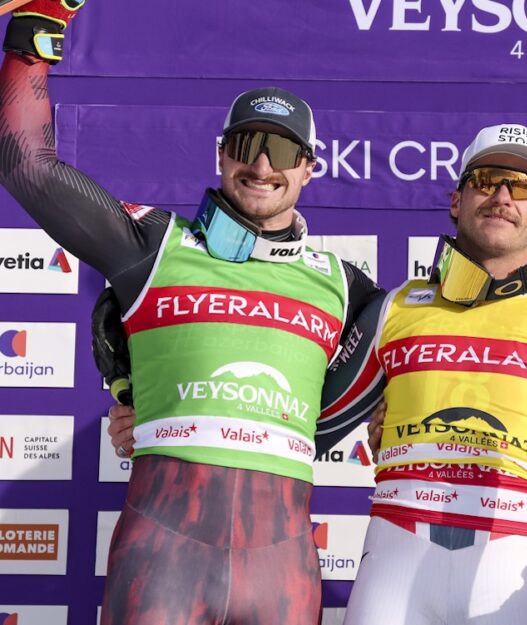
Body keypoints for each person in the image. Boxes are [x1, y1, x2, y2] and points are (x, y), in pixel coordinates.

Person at [0, 3, 384, 624]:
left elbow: (449, 334)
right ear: (220, 155)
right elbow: (27, 165)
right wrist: (31, 42)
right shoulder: (154, 244)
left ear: (310, 169)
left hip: (282, 566)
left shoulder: (346, 286)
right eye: (246, 145)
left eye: (282, 150)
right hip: (163, 555)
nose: (261, 166)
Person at [308, 123, 527, 625]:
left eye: (524, 187)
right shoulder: (395, 306)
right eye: (486, 180)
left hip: (517, 569)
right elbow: (305, 426)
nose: (503, 196)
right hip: (395, 562)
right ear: (456, 200)